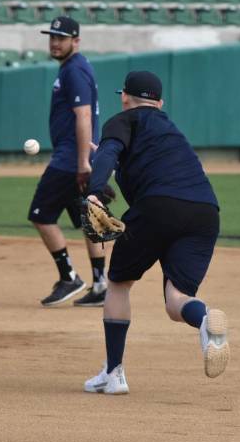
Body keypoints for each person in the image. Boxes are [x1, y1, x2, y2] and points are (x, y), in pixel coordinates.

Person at [82, 71, 229, 394]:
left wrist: (95, 190)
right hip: (205, 211)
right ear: (159, 103)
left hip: (159, 206)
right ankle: (204, 320)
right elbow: (145, 163)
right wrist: (115, 161)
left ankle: (114, 373)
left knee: (119, 283)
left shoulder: (124, 120)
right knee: (177, 300)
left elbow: (107, 154)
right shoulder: (170, 130)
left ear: (124, 98)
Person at [28, 16, 108, 307]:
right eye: (52, 37)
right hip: (79, 156)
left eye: (61, 38)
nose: (54, 42)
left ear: (76, 41)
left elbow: (83, 115)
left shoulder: (74, 70)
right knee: (88, 218)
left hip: (70, 160)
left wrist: (83, 163)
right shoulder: (76, 67)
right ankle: (101, 284)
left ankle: (69, 277)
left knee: (41, 215)